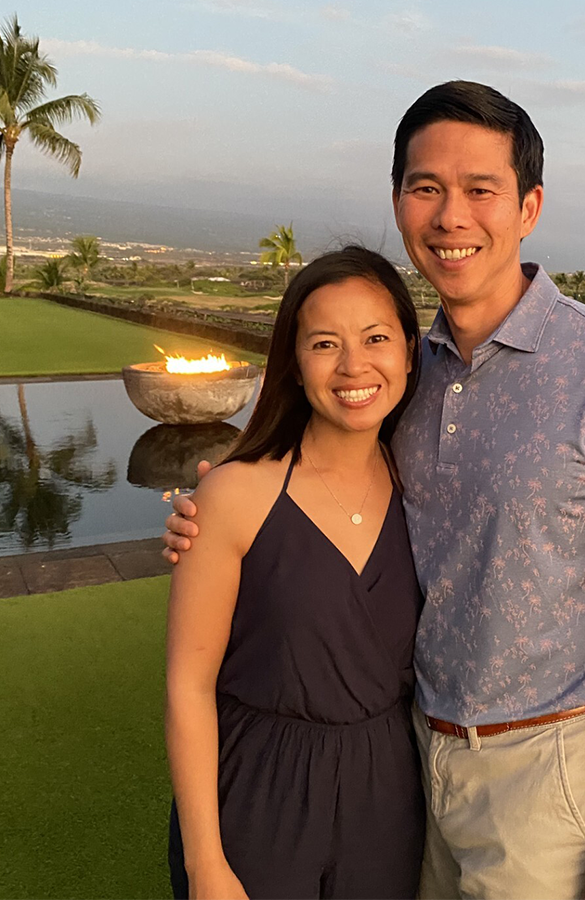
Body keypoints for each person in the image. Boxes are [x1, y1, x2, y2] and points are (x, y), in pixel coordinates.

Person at [164, 81, 585, 900]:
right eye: (426, 187)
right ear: (398, 203)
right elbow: (309, 482)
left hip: (553, 769)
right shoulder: (409, 376)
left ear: (529, 206)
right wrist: (204, 516)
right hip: (415, 764)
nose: (450, 215)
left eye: (480, 190)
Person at [165, 246, 425, 900]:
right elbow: (187, 687)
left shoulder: (423, 486)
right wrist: (206, 865)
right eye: (325, 343)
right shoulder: (234, 496)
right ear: (294, 362)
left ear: (409, 351)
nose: (353, 366)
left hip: (387, 799)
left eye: (375, 339)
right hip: (258, 793)